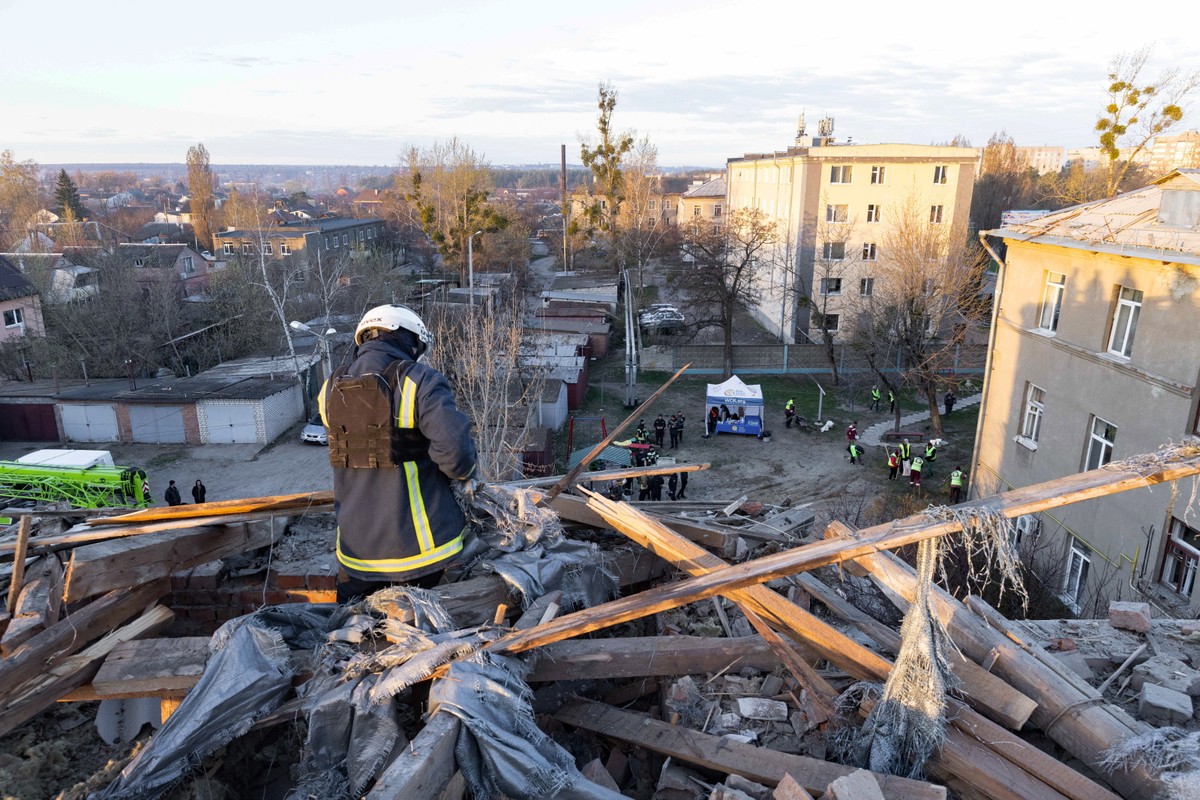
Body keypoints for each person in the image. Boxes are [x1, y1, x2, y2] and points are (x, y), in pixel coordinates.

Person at [321, 304, 477, 604]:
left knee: (354, 640)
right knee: (425, 641)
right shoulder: (421, 380)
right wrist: (465, 475)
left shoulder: (330, 388)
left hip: (357, 555)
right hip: (422, 552)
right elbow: (457, 456)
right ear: (411, 340)